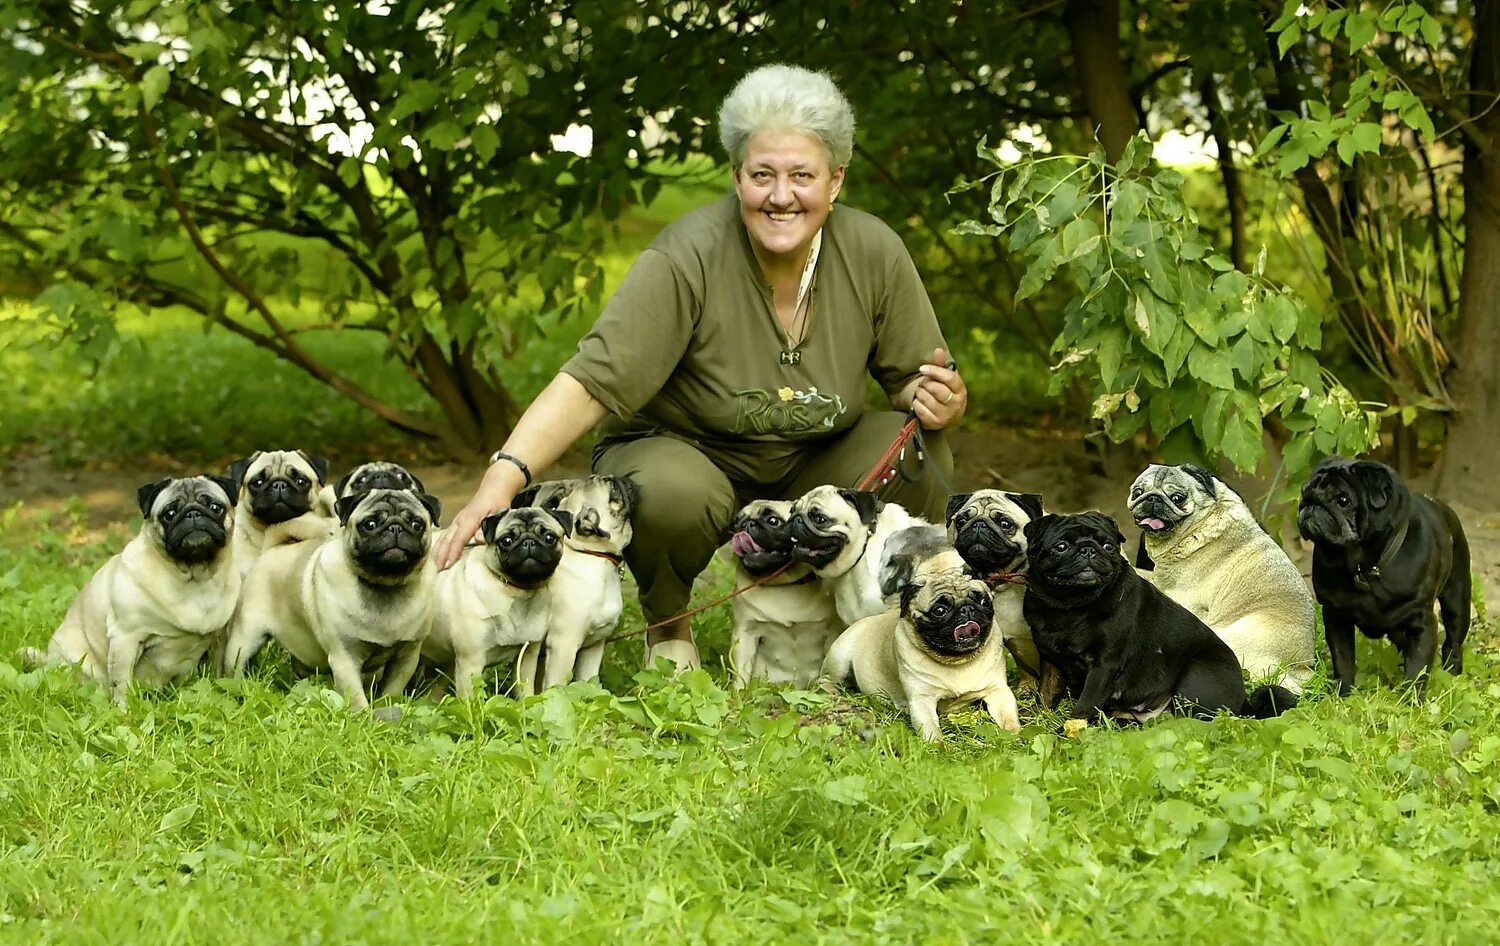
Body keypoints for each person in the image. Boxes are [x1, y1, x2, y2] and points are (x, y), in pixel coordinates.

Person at [434, 63, 968, 672]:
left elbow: (916, 383)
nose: (781, 195)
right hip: (687, 455)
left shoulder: (875, 250)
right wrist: (499, 484)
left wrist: (941, 401)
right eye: (761, 175)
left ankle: (875, 620)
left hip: (814, 460)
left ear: (836, 180)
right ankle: (668, 625)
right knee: (670, 492)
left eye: (802, 176)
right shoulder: (686, 253)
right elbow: (591, 380)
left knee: (919, 450)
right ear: (737, 177)